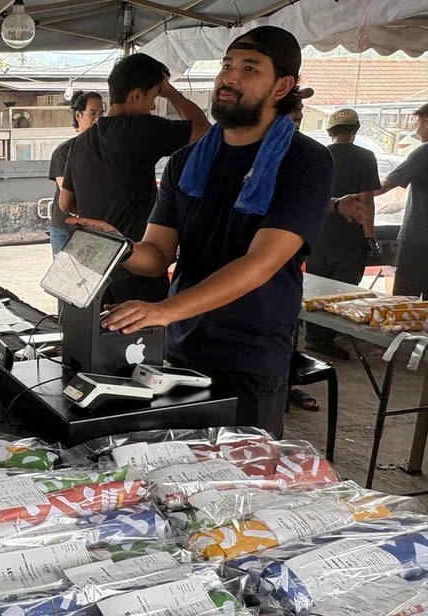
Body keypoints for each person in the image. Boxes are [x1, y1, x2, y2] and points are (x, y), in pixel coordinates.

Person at [69, 26, 334, 437]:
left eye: (249, 69)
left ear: (282, 86)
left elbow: (261, 263)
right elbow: (158, 253)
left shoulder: (304, 161)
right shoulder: (186, 161)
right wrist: (121, 246)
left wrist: (164, 310)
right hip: (181, 347)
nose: (230, 77)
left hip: (250, 355)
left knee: (244, 469)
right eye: (227, 66)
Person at [59, 53, 210, 305]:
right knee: (143, 330)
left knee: (96, 331)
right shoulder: (141, 128)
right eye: (154, 97)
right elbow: (204, 131)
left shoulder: (80, 142)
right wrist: (170, 92)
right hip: (137, 267)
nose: (153, 107)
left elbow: (65, 203)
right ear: (136, 95)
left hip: (92, 268)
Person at [304, 108, 382, 359]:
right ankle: (323, 338)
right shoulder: (365, 157)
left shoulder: (318, 154)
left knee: (316, 286)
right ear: (356, 130)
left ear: (330, 131)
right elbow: (367, 201)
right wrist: (370, 236)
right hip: (349, 236)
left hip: (316, 233)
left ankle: (312, 333)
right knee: (343, 289)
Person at [344, 104, 428, 299]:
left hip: (420, 239)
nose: (416, 131)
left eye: (417, 124)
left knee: (404, 296)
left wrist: (346, 198)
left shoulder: (424, 153)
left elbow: (384, 185)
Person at [47, 90, 103, 254]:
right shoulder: (63, 152)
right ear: (78, 116)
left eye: (101, 114)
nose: (98, 119)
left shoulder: (106, 151)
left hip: (98, 227)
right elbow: (69, 196)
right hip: (67, 228)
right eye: (92, 113)